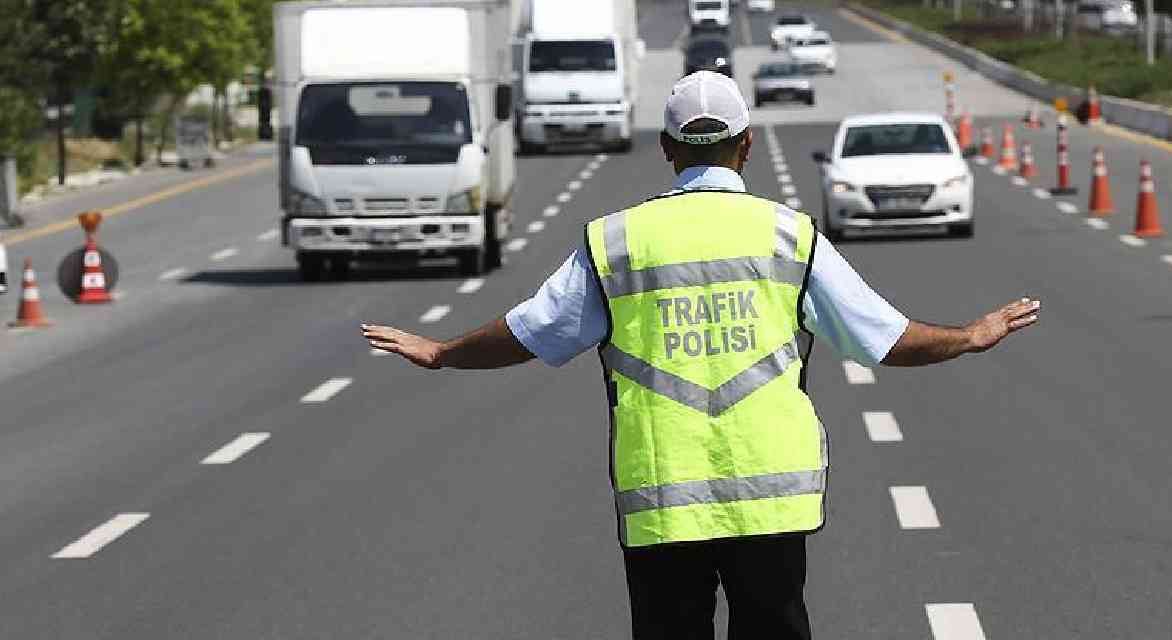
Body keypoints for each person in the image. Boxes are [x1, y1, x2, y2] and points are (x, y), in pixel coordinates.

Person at [362, 71, 1040, 639]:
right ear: (746, 145)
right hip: (771, 499)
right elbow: (882, 338)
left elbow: (533, 331)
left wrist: (443, 351)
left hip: (663, 497)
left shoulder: (617, 241)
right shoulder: (788, 236)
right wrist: (968, 336)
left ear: (667, 149)